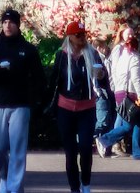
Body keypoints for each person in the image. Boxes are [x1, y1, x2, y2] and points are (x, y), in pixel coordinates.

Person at [0, 8, 45, 193]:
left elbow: (39, 78)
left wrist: (34, 101)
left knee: (18, 150)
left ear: (18, 24)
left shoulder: (28, 50)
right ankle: (4, 178)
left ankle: (14, 188)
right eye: (5, 22)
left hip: (20, 106)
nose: (8, 25)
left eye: (11, 22)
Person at [47, 21, 105, 193]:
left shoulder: (93, 54)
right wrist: (45, 102)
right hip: (65, 108)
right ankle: (74, 188)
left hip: (87, 109)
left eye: (84, 35)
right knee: (71, 153)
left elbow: (104, 80)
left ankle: (86, 185)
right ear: (70, 37)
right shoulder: (62, 56)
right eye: (78, 35)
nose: (82, 38)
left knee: (86, 148)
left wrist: (100, 75)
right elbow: (54, 81)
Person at [97, 24, 140, 160]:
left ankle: (136, 152)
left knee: (130, 121)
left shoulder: (124, 55)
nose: (131, 36)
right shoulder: (130, 56)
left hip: (122, 92)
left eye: (133, 34)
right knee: (129, 124)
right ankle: (105, 140)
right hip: (129, 93)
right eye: (129, 34)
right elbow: (135, 77)